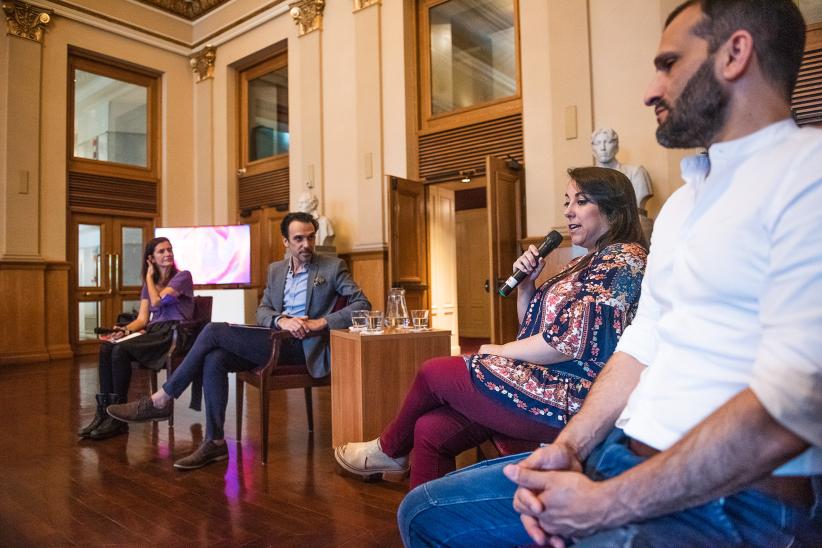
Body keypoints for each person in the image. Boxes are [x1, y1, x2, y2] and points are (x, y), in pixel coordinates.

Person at [398, 1, 822, 546]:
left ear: (736, 53)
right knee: (424, 510)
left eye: (668, 63)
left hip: (737, 498)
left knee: (441, 379)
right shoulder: (684, 203)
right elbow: (640, 345)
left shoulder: (806, 173)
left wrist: (606, 503)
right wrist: (569, 450)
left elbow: (796, 399)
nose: (650, 88)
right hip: (620, 450)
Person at [334, 167, 648, 489]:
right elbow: (532, 328)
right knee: (429, 429)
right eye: (567, 201)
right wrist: (526, 286)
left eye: (580, 202)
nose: (568, 211)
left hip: (576, 394)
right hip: (546, 376)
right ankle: (431, 527)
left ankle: (388, 449)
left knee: (434, 372)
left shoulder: (623, 260)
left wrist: (498, 351)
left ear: (613, 208)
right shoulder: (584, 261)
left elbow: (569, 342)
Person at [107, 212, 370, 469]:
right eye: (299, 239)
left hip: (305, 347)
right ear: (286, 242)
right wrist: (280, 320)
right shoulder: (276, 270)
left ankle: (163, 399)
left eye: (311, 238)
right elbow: (263, 310)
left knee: (212, 330)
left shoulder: (332, 267)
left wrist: (319, 322)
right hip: (275, 337)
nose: (306, 245)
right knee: (215, 357)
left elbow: (363, 304)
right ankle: (215, 441)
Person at [78, 237, 194, 440]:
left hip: (173, 334)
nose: (168, 254)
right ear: (151, 258)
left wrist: (149, 278)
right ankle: (104, 412)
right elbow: (141, 319)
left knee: (121, 351)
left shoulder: (182, 277)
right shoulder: (148, 286)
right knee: (108, 347)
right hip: (155, 332)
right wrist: (124, 331)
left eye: (170, 250)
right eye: (162, 251)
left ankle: (118, 419)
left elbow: (157, 304)